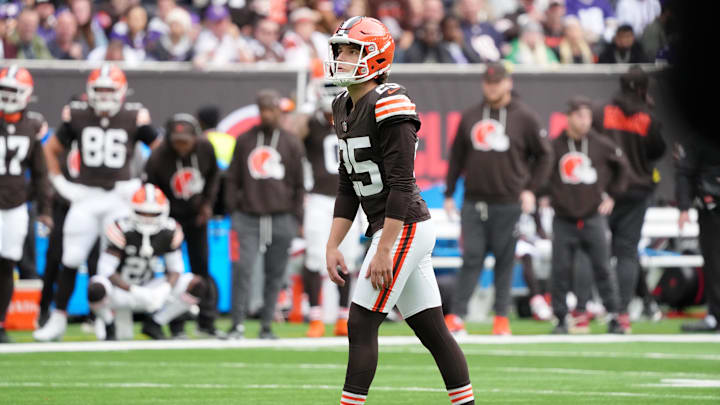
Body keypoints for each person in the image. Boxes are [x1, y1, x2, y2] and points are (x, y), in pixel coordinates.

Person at [324, 16, 474, 405]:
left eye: (350, 50)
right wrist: (332, 243)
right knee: (431, 329)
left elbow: (403, 185)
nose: (340, 57)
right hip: (393, 227)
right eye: (339, 49)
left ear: (374, 56)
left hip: (402, 224)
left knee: (360, 322)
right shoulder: (342, 105)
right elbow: (348, 185)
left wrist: (386, 246)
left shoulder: (390, 102)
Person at [34, 64, 160, 342]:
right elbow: (50, 150)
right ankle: (58, 319)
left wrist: (145, 183)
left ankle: (106, 319)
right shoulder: (78, 115)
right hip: (87, 195)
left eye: (109, 89)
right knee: (71, 258)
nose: (103, 96)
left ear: (122, 91)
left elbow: (160, 149)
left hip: (119, 196)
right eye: (99, 89)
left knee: (109, 263)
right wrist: (61, 183)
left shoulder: (133, 116)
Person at [444, 62, 553, 336]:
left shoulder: (524, 117)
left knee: (506, 260)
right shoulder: (470, 116)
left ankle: (501, 318)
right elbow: (456, 157)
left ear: (508, 83)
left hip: (509, 201)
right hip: (474, 200)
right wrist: (448, 193)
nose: (492, 87)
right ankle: (457, 316)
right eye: (488, 82)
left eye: (497, 82)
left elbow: (545, 155)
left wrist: (531, 189)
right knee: (472, 258)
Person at [226, 89, 305, 340]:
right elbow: (232, 178)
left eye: (272, 109)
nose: (268, 114)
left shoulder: (291, 142)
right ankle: (237, 324)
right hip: (248, 216)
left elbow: (299, 183)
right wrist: (234, 208)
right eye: (264, 110)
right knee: (243, 270)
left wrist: (296, 217)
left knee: (276, 274)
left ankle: (266, 326)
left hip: (282, 217)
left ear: (279, 112)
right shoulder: (245, 140)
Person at [593, 66, 666, 333]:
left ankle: (586, 308)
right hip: (637, 189)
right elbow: (658, 150)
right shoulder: (647, 117)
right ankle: (621, 312)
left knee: (597, 250)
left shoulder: (602, 112)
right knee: (626, 252)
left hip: (606, 191)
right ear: (643, 88)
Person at [547, 96, 628, 335]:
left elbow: (623, 168)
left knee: (603, 267)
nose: (585, 122)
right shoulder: (555, 145)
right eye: (580, 116)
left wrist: (612, 195)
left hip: (593, 216)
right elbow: (541, 170)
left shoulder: (601, 144)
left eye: (588, 116)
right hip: (563, 217)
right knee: (560, 269)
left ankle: (614, 315)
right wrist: (544, 193)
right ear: (569, 117)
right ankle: (561, 318)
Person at [87, 184, 206, 340]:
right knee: (96, 287)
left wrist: (164, 289)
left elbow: (176, 269)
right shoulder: (121, 228)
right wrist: (133, 290)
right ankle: (110, 325)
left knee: (195, 284)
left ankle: (155, 323)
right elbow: (106, 270)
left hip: (150, 289)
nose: (147, 218)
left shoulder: (169, 230)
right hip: (121, 291)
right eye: (142, 212)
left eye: (153, 213)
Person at [291, 82, 362, 338]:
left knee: (347, 256)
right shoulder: (311, 125)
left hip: (350, 198)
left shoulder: (353, 120)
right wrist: (308, 108)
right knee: (313, 257)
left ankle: (343, 317)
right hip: (320, 199)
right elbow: (292, 132)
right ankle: (315, 316)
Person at [144, 113, 222, 338]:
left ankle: (207, 322)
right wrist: (162, 219)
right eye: (176, 141)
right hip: (169, 221)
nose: (181, 146)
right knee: (173, 273)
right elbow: (150, 190)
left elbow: (214, 176)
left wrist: (207, 205)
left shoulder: (206, 149)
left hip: (196, 216)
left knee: (202, 269)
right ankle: (174, 324)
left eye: (185, 141)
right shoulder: (158, 156)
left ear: (195, 138)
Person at [0, 66, 52, 343]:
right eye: (3, 90)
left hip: (16, 205)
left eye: (13, 91)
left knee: (8, 263)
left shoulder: (31, 126)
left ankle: (0, 322)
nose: (7, 97)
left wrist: (44, 208)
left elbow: (41, 171)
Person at [675, 140, 720, 332]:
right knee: (714, 263)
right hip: (711, 209)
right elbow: (685, 173)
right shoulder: (700, 140)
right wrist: (684, 207)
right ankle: (715, 316)